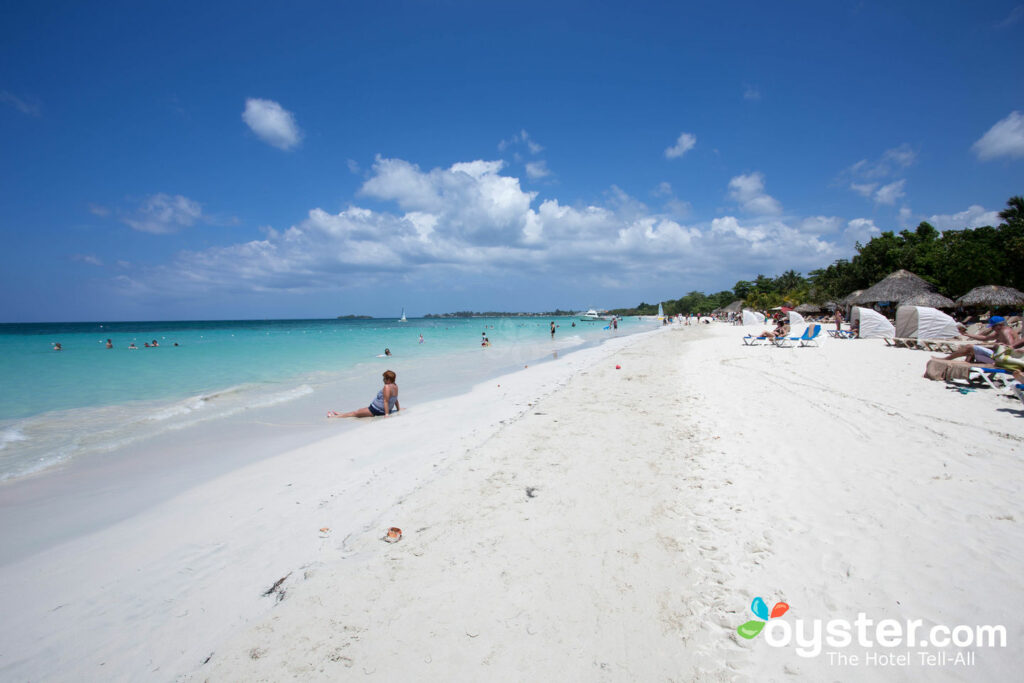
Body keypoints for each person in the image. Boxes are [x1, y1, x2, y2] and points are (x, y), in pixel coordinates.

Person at [934, 316, 1021, 364]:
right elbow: (985, 338)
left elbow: (1011, 345)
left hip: (1002, 358)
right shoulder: (1002, 331)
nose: (993, 329)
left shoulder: (1005, 331)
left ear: (999, 325)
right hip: (999, 356)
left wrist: (997, 345)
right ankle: (968, 370)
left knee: (969, 347)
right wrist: (967, 334)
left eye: (993, 326)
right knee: (972, 350)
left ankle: (947, 359)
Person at [328, 370, 400, 418]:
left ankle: (334, 417)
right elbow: (395, 399)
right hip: (378, 409)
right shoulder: (395, 386)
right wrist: (398, 409)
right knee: (358, 411)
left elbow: (386, 401)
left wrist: (387, 414)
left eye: (384, 378)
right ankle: (341, 414)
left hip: (377, 410)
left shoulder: (387, 387)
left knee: (355, 413)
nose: (383, 380)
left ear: (388, 379)